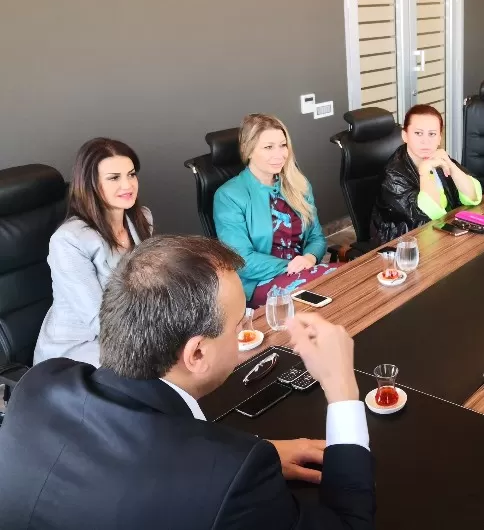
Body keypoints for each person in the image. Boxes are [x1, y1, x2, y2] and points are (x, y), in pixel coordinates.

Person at [0, 235, 375, 529]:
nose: (243, 331)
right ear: (196, 354)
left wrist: (258, 454)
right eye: (239, 325)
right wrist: (341, 388)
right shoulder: (232, 481)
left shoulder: (39, 384)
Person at [33, 137, 153, 366]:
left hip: (135, 329)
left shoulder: (142, 219)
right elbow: (99, 320)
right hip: (80, 347)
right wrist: (159, 340)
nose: (128, 185)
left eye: (131, 174)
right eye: (114, 178)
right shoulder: (69, 240)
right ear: (90, 184)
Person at [214, 113, 338, 307]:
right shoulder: (229, 195)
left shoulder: (298, 184)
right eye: (268, 147)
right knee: (332, 299)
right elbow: (241, 260)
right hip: (260, 281)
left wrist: (309, 257)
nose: (279, 154)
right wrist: (291, 265)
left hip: (305, 270)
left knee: (352, 281)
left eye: (283, 145)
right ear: (248, 150)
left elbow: (316, 237)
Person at [371, 104, 482, 243]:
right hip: (404, 244)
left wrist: (451, 165)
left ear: (439, 138)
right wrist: (424, 171)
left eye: (432, 134)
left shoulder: (438, 159)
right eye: (418, 133)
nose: (425, 141)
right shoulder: (393, 175)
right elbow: (429, 214)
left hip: (441, 234)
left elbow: (473, 196)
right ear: (405, 136)